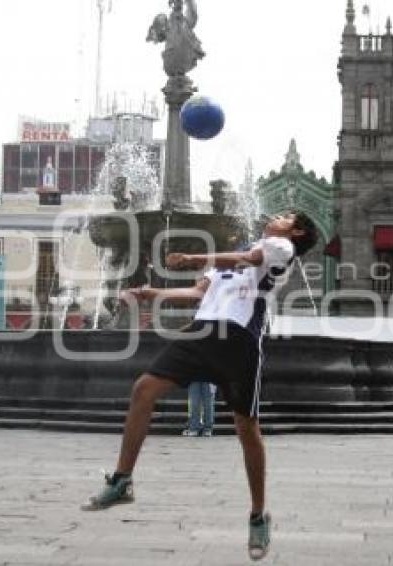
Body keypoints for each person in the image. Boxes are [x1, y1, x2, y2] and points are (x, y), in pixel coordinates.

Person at [81, 212, 318, 561]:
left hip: (239, 339)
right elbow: (196, 293)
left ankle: (258, 515)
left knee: (246, 427)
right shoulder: (239, 252)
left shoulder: (281, 247)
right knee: (143, 389)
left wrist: (194, 257)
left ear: (295, 231)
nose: (276, 215)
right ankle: (122, 480)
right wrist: (150, 293)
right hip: (202, 331)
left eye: (285, 216)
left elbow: (249, 259)